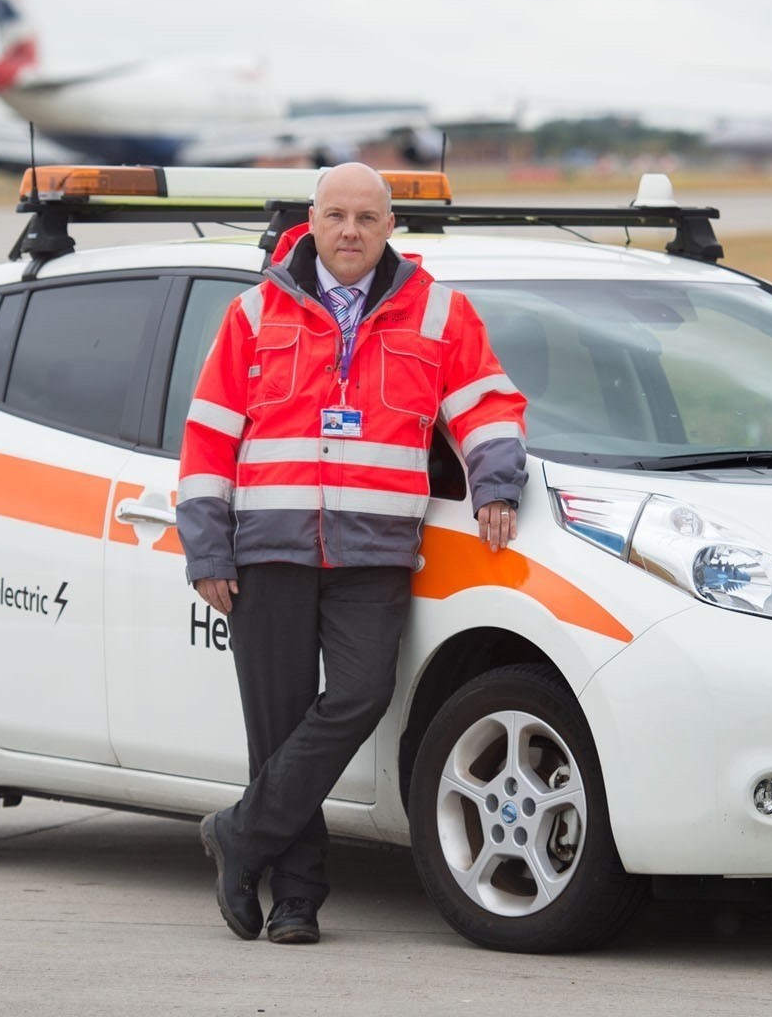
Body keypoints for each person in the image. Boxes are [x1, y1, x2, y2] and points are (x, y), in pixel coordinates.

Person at [177, 162, 526, 945]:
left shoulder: (437, 313)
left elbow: (487, 404)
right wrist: (207, 546)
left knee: (363, 693)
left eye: (366, 218)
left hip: (374, 550)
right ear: (313, 218)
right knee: (278, 724)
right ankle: (296, 900)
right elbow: (207, 436)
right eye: (336, 215)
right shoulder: (254, 312)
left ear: (390, 225)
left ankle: (240, 835)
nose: (349, 232)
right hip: (266, 549)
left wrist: (495, 483)